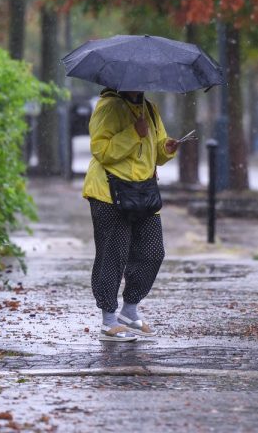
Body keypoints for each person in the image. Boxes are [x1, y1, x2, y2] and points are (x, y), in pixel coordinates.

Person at [82, 88, 182, 342]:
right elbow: (101, 150)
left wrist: (167, 148)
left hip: (143, 192)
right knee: (113, 254)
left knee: (152, 252)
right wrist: (132, 134)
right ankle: (108, 320)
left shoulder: (149, 108)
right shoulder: (108, 107)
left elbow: (156, 154)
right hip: (109, 191)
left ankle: (129, 310)